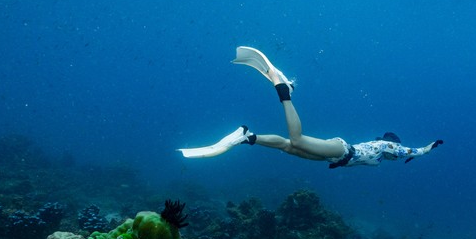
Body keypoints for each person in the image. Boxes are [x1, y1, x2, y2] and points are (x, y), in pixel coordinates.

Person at [179, 47, 443, 168]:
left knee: (286, 146)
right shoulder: (388, 147)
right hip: (342, 148)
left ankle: (248, 136)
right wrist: (427, 149)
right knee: (296, 138)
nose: (394, 154)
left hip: (335, 157)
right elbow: (411, 151)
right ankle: (284, 91)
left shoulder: (381, 155)